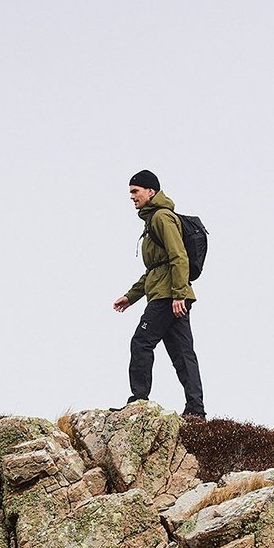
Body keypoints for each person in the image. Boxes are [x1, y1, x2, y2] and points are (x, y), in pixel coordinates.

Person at [113, 171, 205, 419]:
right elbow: (155, 270)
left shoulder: (162, 218)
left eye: (135, 191)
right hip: (169, 292)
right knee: (183, 354)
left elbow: (178, 257)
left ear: (150, 192)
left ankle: (139, 402)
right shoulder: (153, 219)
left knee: (141, 342)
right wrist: (131, 296)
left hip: (168, 297)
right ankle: (196, 411)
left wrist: (177, 295)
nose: (132, 197)